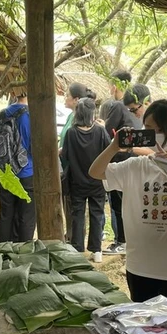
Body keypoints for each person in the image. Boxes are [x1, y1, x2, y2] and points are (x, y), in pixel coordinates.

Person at [90, 100, 167, 305]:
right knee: (143, 329)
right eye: (147, 129)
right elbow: (95, 172)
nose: (153, 135)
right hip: (139, 267)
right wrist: (114, 146)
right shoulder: (136, 166)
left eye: (159, 130)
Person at [61, 98, 110, 262]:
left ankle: (77, 247)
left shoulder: (71, 133)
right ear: (91, 113)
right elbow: (109, 153)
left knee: (77, 214)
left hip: (77, 181)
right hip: (97, 181)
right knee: (97, 214)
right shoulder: (101, 132)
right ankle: (96, 251)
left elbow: (66, 155)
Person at [100, 96, 140, 256]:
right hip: (130, 162)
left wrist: (103, 126)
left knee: (118, 206)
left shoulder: (118, 107)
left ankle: (122, 241)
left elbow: (108, 129)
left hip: (120, 163)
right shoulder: (135, 116)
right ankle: (124, 240)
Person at [0, 92, 35, 242]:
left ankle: (5, 248)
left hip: (6, 172)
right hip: (27, 171)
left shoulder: (3, 113)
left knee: (6, 214)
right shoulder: (30, 116)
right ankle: (24, 251)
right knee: (26, 216)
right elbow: (34, 145)